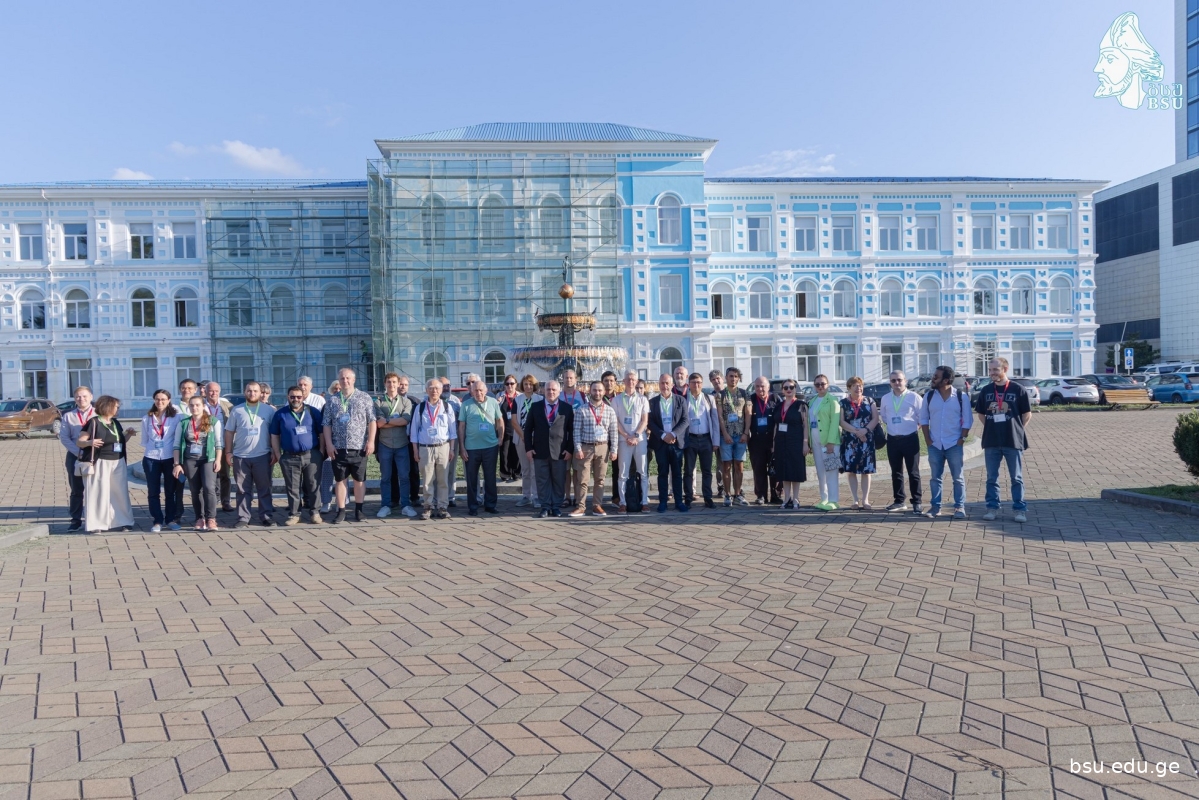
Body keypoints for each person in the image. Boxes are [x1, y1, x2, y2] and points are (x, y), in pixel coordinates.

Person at [975, 357, 1032, 522]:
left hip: (1012, 440)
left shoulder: (1018, 389)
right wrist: (993, 426)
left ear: (1005, 369)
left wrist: (1016, 428)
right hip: (991, 441)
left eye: (995, 370)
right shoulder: (986, 390)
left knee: (1016, 478)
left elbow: (1027, 414)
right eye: (990, 370)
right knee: (991, 477)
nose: (991, 373)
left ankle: (1019, 509)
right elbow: (981, 414)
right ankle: (992, 508)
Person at [920, 364, 973, 520]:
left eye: (936, 376)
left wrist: (962, 439)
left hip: (954, 444)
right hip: (935, 444)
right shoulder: (929, 396)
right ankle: (935, 507)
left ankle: (959, 507)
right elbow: (924, 419)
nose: (933, 378)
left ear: (946, 380)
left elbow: (968, 421)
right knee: (935, 478)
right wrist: (928, 439)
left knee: (958, 477)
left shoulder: (961, 397)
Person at [76, 394, 136, 533]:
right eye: (116, 407)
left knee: (120, 492)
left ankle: (124, 521)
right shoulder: (93, 422)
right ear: (108, 407)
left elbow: (119, 442)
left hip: (118, 461)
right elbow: (80, 442)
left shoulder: (116, 423)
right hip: (100, 461)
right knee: (99, 492)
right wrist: (89, 442)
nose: (118, 409)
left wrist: (128, 435)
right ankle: (97, 525)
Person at [323, 368, 376, 523]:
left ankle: (359, 510)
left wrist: (371, 441)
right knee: (340, 480)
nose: (345, 381)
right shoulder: (332, 400)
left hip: (359, 447)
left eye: (347, 378)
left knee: (359, 480)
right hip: (338, 447)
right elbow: (326, 424)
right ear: (338, 381)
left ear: (353, 380)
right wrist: (329, 444)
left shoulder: (364, 397)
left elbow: (372, 420)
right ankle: (341, 511)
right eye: (342, 378)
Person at [224, 381, 277, 528]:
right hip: (241, 456)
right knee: (242, 489)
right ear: (244, 392)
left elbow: (274, 433)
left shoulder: (269, 410)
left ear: (260, 393)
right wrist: (228, 452)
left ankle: (266, 516)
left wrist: (274, 451)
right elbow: (229, 432)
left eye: (255, 391)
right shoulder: (237, 410)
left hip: (262, 455)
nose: (252, 393)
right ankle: (243, 517)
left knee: (264, 488)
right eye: (249, 391)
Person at [271, 386, 324, 526]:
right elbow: (274, 435)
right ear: (288, 397)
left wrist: (321, 451)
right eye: (292, 397)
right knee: (292, 487)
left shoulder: (313, 412)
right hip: (289, 457)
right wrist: (278, 455)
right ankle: (294, 514)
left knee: (313, 485)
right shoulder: (280, 414)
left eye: (298, 397)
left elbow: (322, 432)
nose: (296, 399)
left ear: (303, 397)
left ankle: (315, 512)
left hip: (311, 455)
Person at [173, 396, 223, 531]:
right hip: (190, 460)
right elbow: (176, 445)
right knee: (195, 490)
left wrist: (218, 460)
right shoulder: (183, 423)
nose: (194, 408)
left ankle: (211, 518)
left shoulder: (213, 421)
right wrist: (177, 464)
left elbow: (219, 443)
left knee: (209, 487)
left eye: (197, 405)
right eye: (192, 405)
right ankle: (199, 518)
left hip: (208, 459)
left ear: (203, 406)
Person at [525, 380, 574, 518]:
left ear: (559, 391)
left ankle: (556, 506)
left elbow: (572, 431)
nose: (551, 392)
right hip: (540, 451)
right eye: (548, 390)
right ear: (543, 391)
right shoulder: (535, 407)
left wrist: (569, 449)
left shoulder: (566, 408)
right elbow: (528, 429)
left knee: (559, 480)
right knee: (542, 480)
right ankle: (545, 506)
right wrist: (528, 448)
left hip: (560, 451)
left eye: (554, 390)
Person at [410, 379, 457, 520]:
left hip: (443, 447)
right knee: (427, 480)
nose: (434, 391)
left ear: (441, 390)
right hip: (425, 448)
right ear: (426, 390)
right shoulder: (420, 407)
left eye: (437, 388)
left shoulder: (447, 407)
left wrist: (452, 449)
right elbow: (414, 431)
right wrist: (415, 450)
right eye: (431, 388)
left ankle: (442, 507)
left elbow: (452, 431)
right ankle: (428, 507)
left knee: (443, 480)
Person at [571, 380, 618, 517]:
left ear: (604, 392)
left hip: (603, 447)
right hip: (586, 447)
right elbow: (576, 431)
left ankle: (597, 505)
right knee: (582, 479)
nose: (597, 393)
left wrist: (614, 450)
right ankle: (581, 506)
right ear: (590, 391)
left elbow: (613, 432)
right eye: (594, 390)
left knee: (600, 479)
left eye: (600, 390)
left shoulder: (609, 410)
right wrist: (578, 449)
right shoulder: (582, 410)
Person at [459, 377, 504, 516]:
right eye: (475, 390)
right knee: (472, 479)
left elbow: (500, 420)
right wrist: (462, 447)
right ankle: (473, 506)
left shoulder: (493, 402)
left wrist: (500, 437)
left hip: (490, 446)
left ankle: (490, 505)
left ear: (486, 390)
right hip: (471, 448)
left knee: (490, 477)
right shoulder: (466, 405)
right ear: (471, 391)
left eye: (480, 390)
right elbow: (461, 426)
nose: (478, 393)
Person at [883, 370, 924, 514]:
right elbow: (884, 417)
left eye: (899, 380)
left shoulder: (914, 397)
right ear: (890, 382)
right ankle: (899, 501)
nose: (896, 383)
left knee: (913, 472)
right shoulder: (886, 398)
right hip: (893, 439)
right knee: (896, 472)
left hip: (910, 438)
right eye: (893, 380)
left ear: (905, 381)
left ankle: (917, 501)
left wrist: (914, 427)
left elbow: (922, 416)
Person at [375, 372, 415, 519]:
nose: (391, 385)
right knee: (385, 477)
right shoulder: (378, 402)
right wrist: (393, 422)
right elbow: (378, 423)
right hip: (384, 444)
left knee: (404, 477)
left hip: (402, 444)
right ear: (385, 384)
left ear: (398, 384)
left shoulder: (406, 402)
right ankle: (385, 505)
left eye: (394, 382)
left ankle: (405, 505)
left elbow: (405, 420)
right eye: (388, 382)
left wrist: (386, 421)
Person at [142, 390, 181, 532]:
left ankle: (170, 519)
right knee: (153, 492)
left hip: (170, 457)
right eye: (157, 399)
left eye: (163, 399)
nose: (160, 402)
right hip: (151, 458)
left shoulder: (177, 417)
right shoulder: (147, 418)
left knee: (170, 491)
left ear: (169, 400)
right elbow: (145, 440)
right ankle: (157, 521)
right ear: (154, 400)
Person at [839, 377, 880, 510]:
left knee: (866, 471)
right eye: (855, 386)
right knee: (851, 471)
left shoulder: (869, 401)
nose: (859, 388)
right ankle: (855, 500)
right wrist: (857, 432)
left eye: (860, 386)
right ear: (849, 388)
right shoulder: (843, 403)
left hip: (866, 439)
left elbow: (875, 418)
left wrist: (865, 430)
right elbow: (841, 421)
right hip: (850, 440)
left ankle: (865, 500)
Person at [649, 374, 688, 513]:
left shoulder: (680, 400)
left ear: (672, 385)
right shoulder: (652, 402)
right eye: (662, 383)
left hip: (676, 443)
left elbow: (685, 420)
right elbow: (650, 422)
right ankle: (663, 502)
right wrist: (663, 435)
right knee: (662, 473)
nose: (664, 386)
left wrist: (673, 434)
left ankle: (679, 502)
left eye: (667, 383)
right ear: (658, 385)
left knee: (677, 474)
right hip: (660, 443)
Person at [59, 385, 95, 532]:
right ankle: (75, 520)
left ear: (91, 397)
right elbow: (64, 438)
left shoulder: (98, 413)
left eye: (85, 396)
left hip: (95, 456)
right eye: (78, 396)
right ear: (74, 399)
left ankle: (94, 519)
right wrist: (78, 453)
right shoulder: (68, 416)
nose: (81, 399)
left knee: (95, 489)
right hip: (75, 456)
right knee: (76, 490)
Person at [615, 371, 650, 513]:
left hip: (639, 440)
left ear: (636, 381)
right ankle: (622, 503)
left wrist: (635, 435)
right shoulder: (616, 400)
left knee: (643, 472)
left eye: (633, 379)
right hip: (623, 440)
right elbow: (615, 421)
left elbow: (644, 421)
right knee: (623, 473)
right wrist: (626, 436)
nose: (631, 382)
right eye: (628, 379)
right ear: (624, 381)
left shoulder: (642, 399)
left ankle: (644, 501)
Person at [773, 381, 810, 509]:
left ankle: (796, 498)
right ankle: (786, 498)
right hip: (781, 442)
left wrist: (805, 443)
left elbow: (805, 425)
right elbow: (776, 425)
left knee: (795, 470)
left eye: (791, 387)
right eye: (786, 387)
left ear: (795, 389)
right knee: (784, 470)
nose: (788, 389)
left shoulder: (801, 405)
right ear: (782, 390)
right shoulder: (779, 405)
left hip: (796, 441)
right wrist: (774, 443)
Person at [717, 368, 751, 506]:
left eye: (736, 376)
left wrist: (746, 433)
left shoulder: (745, 393)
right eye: (731, 376)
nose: (733, 379)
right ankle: (727, 495)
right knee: (726, 466)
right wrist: (725, 434)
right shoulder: (720, 395)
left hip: (741, 435)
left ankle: (738, 495)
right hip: (726, 436)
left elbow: (748, 414)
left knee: (739, 466)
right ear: (726, 378)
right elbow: (719, 416)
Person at [808, 375, 842, 511]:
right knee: (820, 472)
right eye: (817, 384)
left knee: (831, 471)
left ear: (828, 385)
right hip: (816, 442)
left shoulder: (833, 401)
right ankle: (824, 498)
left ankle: (833, 500)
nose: (820, 387)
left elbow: (835, 422)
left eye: (823, 384)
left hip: (829, 442)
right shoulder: (812, 401)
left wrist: (831, 442)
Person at [746, 377, 779, 505]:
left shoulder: (775, 399)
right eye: (757, 386)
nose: (760, 389)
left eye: (763, 386)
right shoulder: (751, 399)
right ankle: (761, 495)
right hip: (756, 439)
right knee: (758, 469)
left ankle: (775, 495)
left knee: (775, 467)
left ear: (768, 387)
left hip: (772, 439)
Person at [510, 375, 542, 508]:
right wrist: (524, 436)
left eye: (530, 384)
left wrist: (533, 437)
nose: (528, 386)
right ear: (522, 386)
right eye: (525, 384)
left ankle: (536, 496)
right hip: (521, 438)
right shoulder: (517, 400)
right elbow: (514, 421)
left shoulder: (540, 399)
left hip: (536, 440)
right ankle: (526, 496)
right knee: (525, 468)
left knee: (535, 469)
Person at [202, 381, 234, 512]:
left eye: (216, 391)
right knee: (209, 475)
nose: (213, 393)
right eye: (211, 391)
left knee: (225, 474)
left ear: (219, 392)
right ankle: (210, 502)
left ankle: (226, 501)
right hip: (206, 446)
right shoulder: (201, 405)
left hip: (224, 445)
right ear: (205, 392)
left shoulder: (228, 406)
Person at [171, 379, 198, 526]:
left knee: (198, 487)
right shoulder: (173, 409)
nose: (186, 390)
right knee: (178, 486)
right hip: (180, 453)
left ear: (195, 390)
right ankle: (177, 514)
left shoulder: (202, 407)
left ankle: (200, 515)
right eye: (183, 388)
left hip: (197, 454)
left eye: (189, 388)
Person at [560, 368, 586, 506]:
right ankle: (566, 497)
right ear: (562, 379)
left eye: (571, 378)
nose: (568, 380)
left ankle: (576, 496)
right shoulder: (558, 395)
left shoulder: (582, 396)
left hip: (578, 437)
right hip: (563, 438)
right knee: (565, 470)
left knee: (577, 470)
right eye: (566, 377)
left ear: (576, 379)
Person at [398, 376, 421, 507]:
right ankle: (395, 498)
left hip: (411, 440)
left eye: (405, 385)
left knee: (414, 470)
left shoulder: (415, 402)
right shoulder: (390, 401)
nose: (403, 387)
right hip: (396, 439)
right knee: (395, 470)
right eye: (401, 384)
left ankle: (414, 496)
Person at [440, 377, 462, 508]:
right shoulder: (429, 400)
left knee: (451, 469)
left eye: (448, 385)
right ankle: (438, 496)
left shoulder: (455, 401)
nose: (446, 388)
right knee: (438, 469)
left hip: (453, 439)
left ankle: (450, 496)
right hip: (438, 440)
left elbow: (460, 421)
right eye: (443, 385)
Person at [319, 380, 340, 513]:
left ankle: (341, 502)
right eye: (335, 389)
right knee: (326, 476)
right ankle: (326, 502)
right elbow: (323, 427)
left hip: (344, 446)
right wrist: (326, 445)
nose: (337, 391)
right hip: (329, 445)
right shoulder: (327, 405)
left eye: (339, 389)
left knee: (342, 477)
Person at [496, 375, 521, 483]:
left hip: (517, 428)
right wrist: (497, 402)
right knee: (504, 453)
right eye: (507, 384)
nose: (509, 386)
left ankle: (517, 473)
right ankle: (505, 473)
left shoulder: (520, 396)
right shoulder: (500, 396)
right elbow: (495, 411)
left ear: (516, 384)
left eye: (512, 383)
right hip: (504, 428)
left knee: (516, 452)